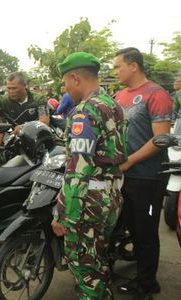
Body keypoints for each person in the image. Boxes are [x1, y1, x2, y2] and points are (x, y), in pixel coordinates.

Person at [51, 52, 127, 299]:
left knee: (85, 268)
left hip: (87, 202)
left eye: (64, 82)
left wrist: (64, 215)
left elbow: (78, 171)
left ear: (75, 78)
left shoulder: (84, 112)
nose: (64, 88)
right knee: (98, 259)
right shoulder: (114, 105)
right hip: (111, 195)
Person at [113, 47, 172, 299]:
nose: (115, 71)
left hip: (148, 177)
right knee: (130, 229)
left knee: (146, 232)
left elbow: (161, 139)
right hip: (123, 176)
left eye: (118, 66)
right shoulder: (118, 96)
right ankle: (141, 274)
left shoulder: (156, 94)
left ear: (133, 65)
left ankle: (147, 284)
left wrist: (127, 162)